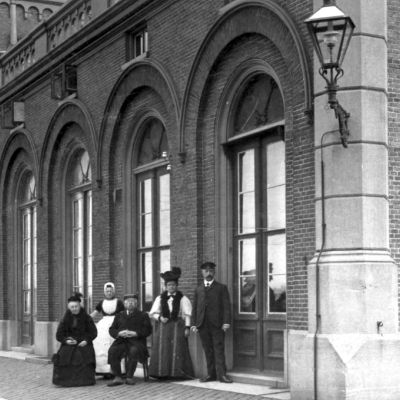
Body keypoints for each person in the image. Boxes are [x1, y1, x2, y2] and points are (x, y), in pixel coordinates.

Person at [191, 262, 232, 384]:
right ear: (202, 273)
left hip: (217, 325)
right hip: (203, 325)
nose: (208, 273)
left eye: (211, 271)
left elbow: (226, 307)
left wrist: (226, 322)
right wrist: (193, 324)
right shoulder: (198, 289)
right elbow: (195, 308)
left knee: (219, 349)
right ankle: (211, 374)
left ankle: (222, 375)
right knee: (208, 350)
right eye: (206, 271)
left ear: (214, 273)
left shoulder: (221, 287)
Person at [149, 267, 194, 379]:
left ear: (177, 285)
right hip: (163, 327)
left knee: (177, 349)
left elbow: (187, 314)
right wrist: (160, 318)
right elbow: (152, 313)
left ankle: (177, 374)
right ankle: (162, 373)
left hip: (178, 326)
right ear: (165, 286)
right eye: (169, 285)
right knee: (164, 349)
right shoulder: (160, 298)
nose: (171, 287)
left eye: (173, 285)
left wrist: (187, 328)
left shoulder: (183, 298)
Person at [53, 293, 97, 387]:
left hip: (84, 343)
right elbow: (59, 335)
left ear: (80, 306)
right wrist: (66, 341)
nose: (74, 309)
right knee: (64, 356)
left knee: (81, 356)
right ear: (69, 307)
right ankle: (66, 381)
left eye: (76, 306)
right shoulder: (65, 319)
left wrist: (86, 341)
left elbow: (93, 333)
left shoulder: (87, 318)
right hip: (69, 344)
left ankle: (84, 381)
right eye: (72, 307)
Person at [107, 294, 152, 386]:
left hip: (136, 342)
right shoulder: (119, 315)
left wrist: (136, 333)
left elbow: (148, 330)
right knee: (112, 350)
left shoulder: (143, 315)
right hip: (121, 341)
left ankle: (129, 377)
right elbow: (112, 329)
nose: (130, 303)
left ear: (136, 303)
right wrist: (119, 333)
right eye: (128, 301)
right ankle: (117, 377)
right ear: (125, 304)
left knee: (134, 351)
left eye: (132, 301)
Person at [90, 282, 125, 376]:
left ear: (114, 291)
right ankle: (103, 370)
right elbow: (94, 314)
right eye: (107, 291)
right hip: (103, 325)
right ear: (104, 292)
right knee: (102, 345)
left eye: (111, 291)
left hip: (115, 323)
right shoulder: (101, 303)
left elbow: (123, 315)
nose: (109, 293)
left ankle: (117, 370)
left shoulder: (118, 302)